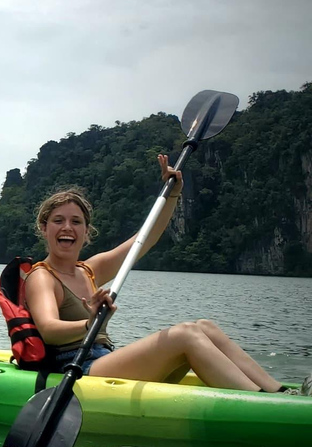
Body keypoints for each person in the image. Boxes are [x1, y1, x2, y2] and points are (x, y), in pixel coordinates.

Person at [23, 154, 311, 395]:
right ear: (44, 227)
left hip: (104, 358)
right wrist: (90, 323)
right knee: (185, 334)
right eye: (58, 221)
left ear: (86, 232)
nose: (67, 228)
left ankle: (281, 394)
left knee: (205, 326)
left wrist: (173, 192)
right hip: (77, 367)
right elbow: (48, 329)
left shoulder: (89, 268)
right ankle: (261, 403)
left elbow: (144, 239)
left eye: (76, 221)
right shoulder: (42, 277)